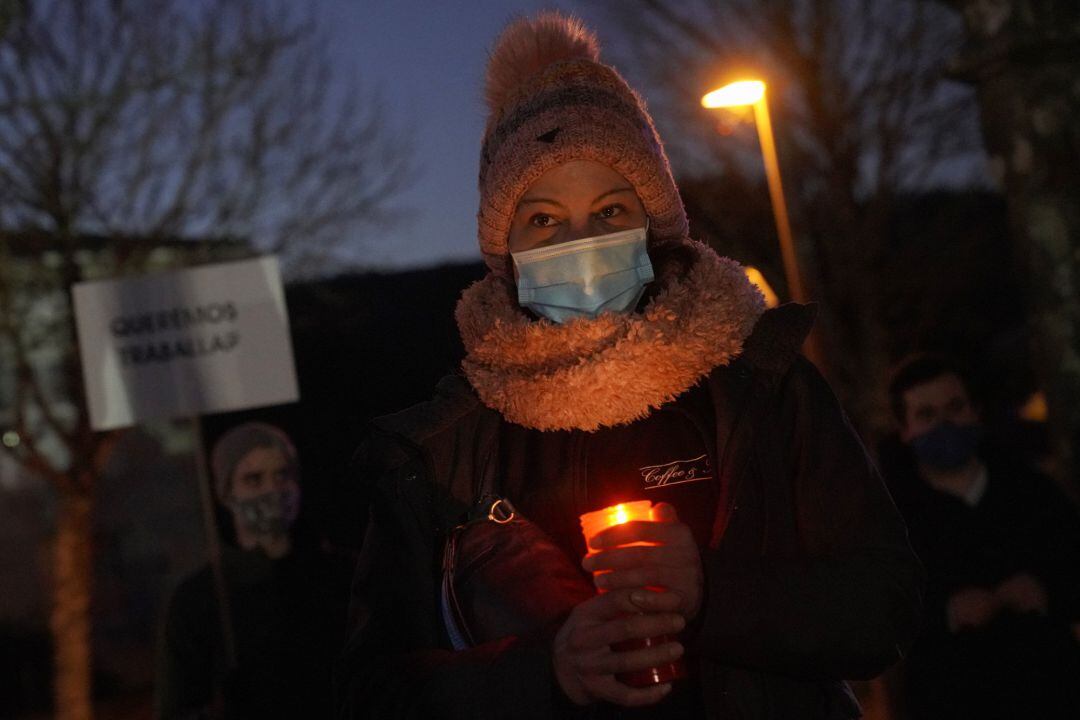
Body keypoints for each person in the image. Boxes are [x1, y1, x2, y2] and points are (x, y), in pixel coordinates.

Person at [336, 13, 922, 720]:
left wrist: (711, 592)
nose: (580, 242)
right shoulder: (437, 454)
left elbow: (884, 607)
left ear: (654, 227)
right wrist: (544, 669)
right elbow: (373, 692)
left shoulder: (761, 389)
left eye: (611, 210)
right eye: (545, 220)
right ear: (504, 249)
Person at [883, 353, 1080, 719]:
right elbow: (882, 611)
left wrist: (1044, 589)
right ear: (905, 428)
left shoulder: (1030, 490)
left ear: (974, 411)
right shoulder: (892, 520)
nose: (945, 424)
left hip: (1052, 690)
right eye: (927, 415)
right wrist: (948, 613)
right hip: (951, 700)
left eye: (955, 407)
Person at [156, 422, 350, 719]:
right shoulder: (199, 600)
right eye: (254, 479)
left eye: (282, 475)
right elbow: (176, 709)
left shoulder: (344, 575)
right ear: (227, 493)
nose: (273, 489)